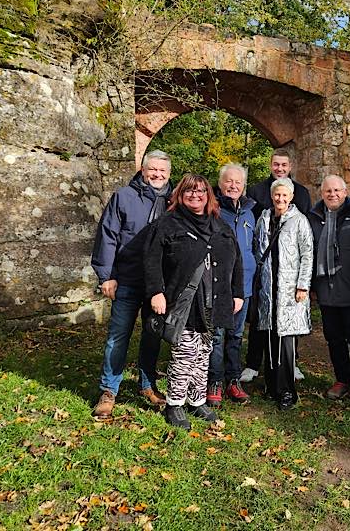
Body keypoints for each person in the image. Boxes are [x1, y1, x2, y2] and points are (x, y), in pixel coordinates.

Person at [144, 174, 244, 430]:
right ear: (180, 194)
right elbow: (152, 259)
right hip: (184, 300)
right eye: (189, 191)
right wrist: (156, 292)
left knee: (203, 354)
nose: (195, 195)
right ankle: (175, 404)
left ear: (208, 195)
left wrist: (237, 293)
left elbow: (237, 261)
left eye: (200, 191)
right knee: (185, 353)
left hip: (214, 299)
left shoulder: (220, 226)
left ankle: (197, 399)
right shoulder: (168, 224)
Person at [91, 150, 172, 418]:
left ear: (168, 174)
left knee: (152, 335)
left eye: (162, 171)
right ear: (143, 169)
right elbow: (108, 235)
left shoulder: (173, 201)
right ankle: (109, 389)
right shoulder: (124, 197)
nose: (157, 175)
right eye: (153, 170)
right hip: (126, 278)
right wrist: (106, 275)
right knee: (118, 335)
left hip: (156, 284)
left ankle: (147, 384)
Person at [307, 174, 350, 413]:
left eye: (337, 190)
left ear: (345, 192)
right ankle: (342, 379)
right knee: (334, 339)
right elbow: (308, 255)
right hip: (326, 292)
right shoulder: (314, 217)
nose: (332, 194)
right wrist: (312, 287)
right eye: (328, 191)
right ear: (322, 193)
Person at [242, 148, 312, 383]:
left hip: (289, 271)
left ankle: (291, 364)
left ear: (290, 166)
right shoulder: (257, 190)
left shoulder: (301, 193)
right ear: (271, 165)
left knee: (287, 320)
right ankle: (253, 364)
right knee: (260, 317)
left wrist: (303, 282)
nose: (279, 168)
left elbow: (305, 242)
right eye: (276, 164)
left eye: (284, 165)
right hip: (265, 269)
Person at [254, 178, 313, 410]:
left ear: (291, 197)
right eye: (277, 195)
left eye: (284, 195)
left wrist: (303, 285)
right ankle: (271, 386)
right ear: (272, 196)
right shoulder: (265, 218)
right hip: (269, 287)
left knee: (286, 342)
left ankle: (287, 391)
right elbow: (257, 249)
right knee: (270, 338)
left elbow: (307, 254)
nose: (280, 199)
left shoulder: (299, 221)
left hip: (290, 289)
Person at [206, 164, 256, 408]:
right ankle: (214, 381)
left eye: (238, 182)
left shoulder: (249, 211)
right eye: (229, 181)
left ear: (243, 185)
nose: (233, 186)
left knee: (236, 336)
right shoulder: (212, 210)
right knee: (217, 336)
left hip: (244, 286)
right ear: (221, 183)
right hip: (220, 286)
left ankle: (233, 379)